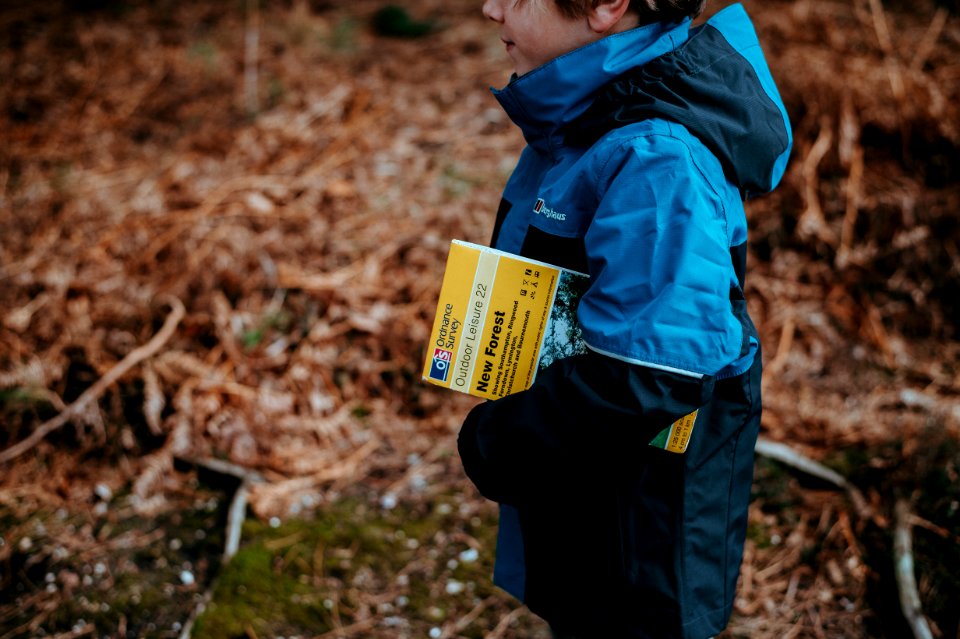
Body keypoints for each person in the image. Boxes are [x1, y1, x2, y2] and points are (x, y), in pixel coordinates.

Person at [456, 0, 792, 637]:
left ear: (607, 4)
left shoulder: (655, 157)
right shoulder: (590, 116)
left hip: (641, 523)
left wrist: (500, 441)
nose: (491, 7)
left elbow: (657, 370)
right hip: (592, 485)